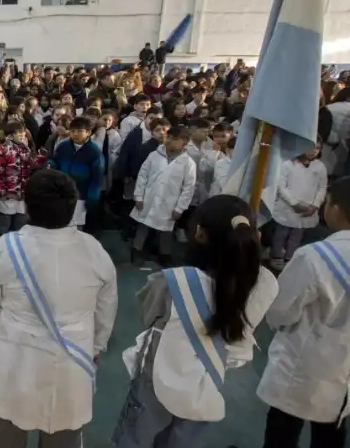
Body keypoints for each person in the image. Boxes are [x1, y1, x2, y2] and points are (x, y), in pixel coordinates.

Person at [114, 194, 278, 448]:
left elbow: (149, 317)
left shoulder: (171, 281)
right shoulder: (267, 283)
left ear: (200, 233)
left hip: (158, 378)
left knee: (137, 439)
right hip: (209, 381)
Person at [0, 169, 117, 448]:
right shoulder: (95, 251)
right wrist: (96, 346)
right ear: (73, 208)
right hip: (72, 360)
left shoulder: (5, 248)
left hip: (16, 358)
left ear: (26, 206)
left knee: (8, 429)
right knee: (64, 430)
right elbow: (105, 311)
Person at [256, 175, 350, 448]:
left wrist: (276, 324)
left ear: (333, 208)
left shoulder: (316, 256)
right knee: (331, 433)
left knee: (283, 430)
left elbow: (281, 311)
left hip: (302, 364)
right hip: (343, 371)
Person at [130, 126, 196, 266]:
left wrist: (180, 208)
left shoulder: (188, 163)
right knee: (143, 226)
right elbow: (143, 175)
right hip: (149, 198)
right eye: (169, 137)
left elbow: (188, 188)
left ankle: (164, 254)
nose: (169, 140)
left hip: (170, 203)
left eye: (175, 139)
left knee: (166, 230)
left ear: (183, 143)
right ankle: (137, 250)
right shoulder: (154, 155)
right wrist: (139, 196)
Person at [270, 142, 327, 271]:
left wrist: (315, 205)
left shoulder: (320, 167)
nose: (314, 151)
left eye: (317, 148)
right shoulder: (288, 164)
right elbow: (281, 187)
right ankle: (277, 255)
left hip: (307, 209)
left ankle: (290, 257)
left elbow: (322, 187)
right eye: (311, 147)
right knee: (281, 233)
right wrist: (294, 203)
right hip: (287, 207)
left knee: (297, 234)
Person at [49, 117, 105, 231]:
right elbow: (55, 160)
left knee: (76, 225)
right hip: (61, 192)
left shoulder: (95, 152)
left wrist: (92, 199)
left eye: (79, 131)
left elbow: (97, 179)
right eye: (73, 131)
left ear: (88, 132)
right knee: (60, 223)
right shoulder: (63, 146)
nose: (75, 134)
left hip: (81, 194)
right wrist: (49, 165)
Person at [0, 122, 34, 236]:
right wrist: (1, 191)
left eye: (23, 133)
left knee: (20, 223)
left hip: (22, 193)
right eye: (19, 133)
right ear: (10, 136)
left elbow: (30, 166)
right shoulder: (4, 150)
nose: (22, 136)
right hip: (7, 192)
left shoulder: (26, 149)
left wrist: (39, 160)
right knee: (4, 224)